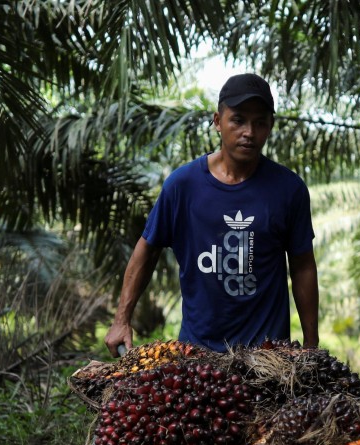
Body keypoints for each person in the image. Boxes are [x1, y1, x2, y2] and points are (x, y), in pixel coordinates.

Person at [104, 73, 319, 357]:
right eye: (238, 120)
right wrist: (122, 320)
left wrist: (311, 345)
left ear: (271, 126)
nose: (249, 132)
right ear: (218, 121)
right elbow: (147, 249)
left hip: (269, 357)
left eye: (260, 123)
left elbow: (302, 266)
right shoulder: (183, 185)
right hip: (197, 355)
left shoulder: (289, 190)